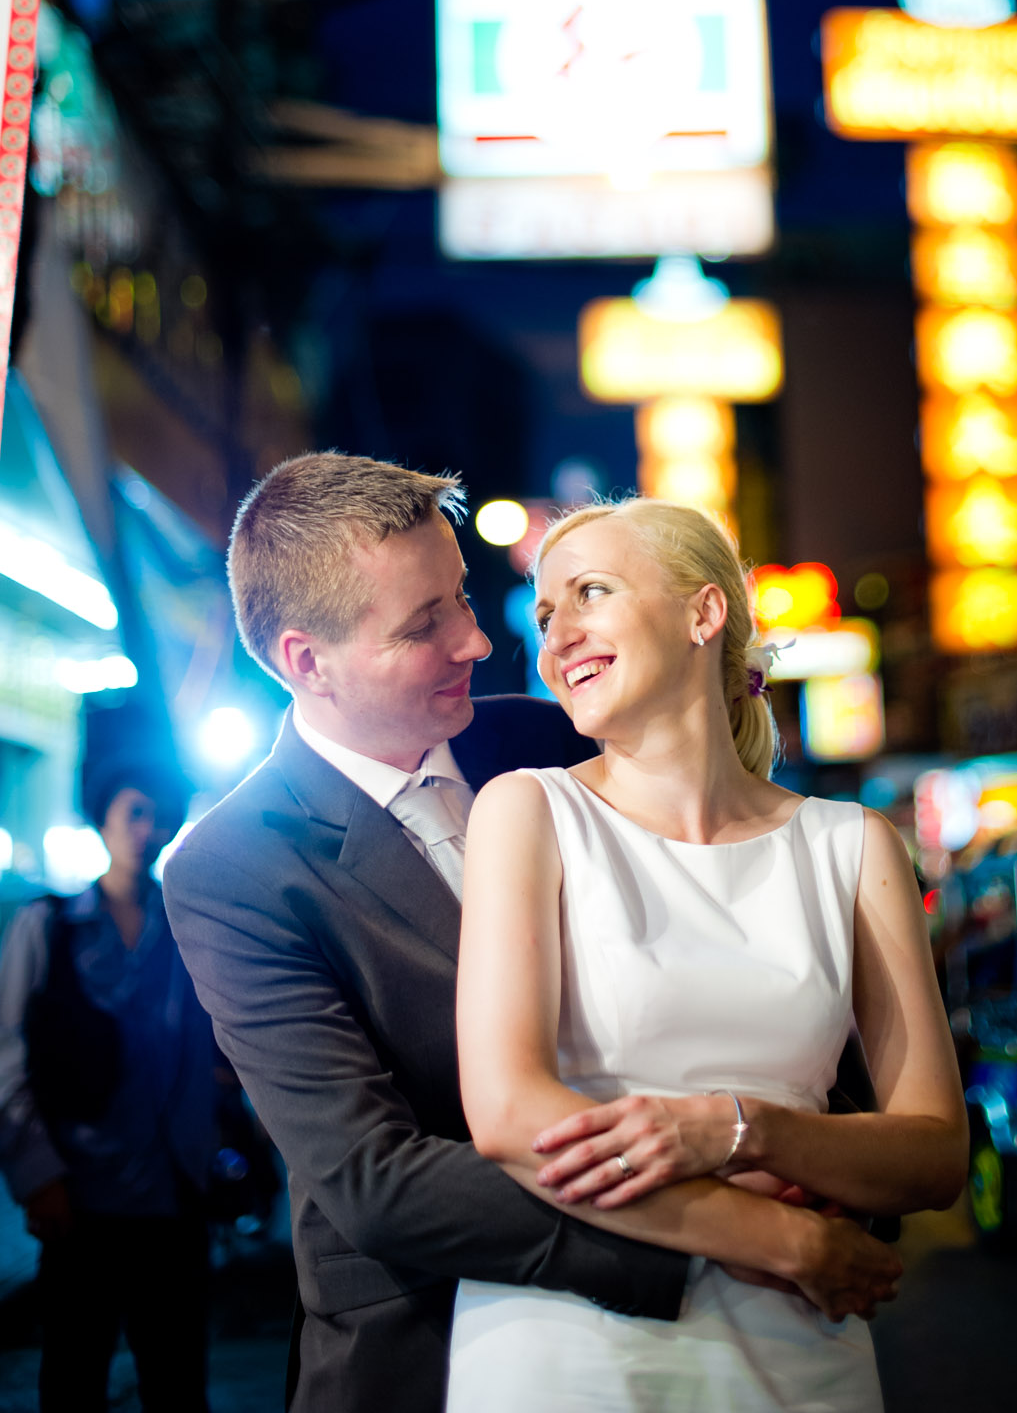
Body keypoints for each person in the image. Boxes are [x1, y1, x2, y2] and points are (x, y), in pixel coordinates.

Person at [162, 453, 903, 1413]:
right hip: (424, 1344)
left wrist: (825, 1164)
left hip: (762, 1326)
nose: (475, 641)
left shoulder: (548, 740)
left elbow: (754, 950)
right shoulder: (233, 865)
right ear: (307, 661)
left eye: (462, 598)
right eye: (423, 625)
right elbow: (375, 1179)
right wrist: (738, 1232)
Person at [451, 497, 970, 1411]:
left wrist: (743, 1126)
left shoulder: (851, 845)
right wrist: (780, 1232)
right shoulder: (527, 811)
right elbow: (507, 1114)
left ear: (703, 612)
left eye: (590, 593)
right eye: (545, 614)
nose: (556, 637)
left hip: (801, 1352)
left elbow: (934, 1155)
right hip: (571, 1350)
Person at [0, 749, 218, 1412]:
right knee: (73, 1375)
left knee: (177, 1380)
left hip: (174, 1193)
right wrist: (38, 1177)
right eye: (135, 813)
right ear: (103, 818)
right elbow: (9, 1058)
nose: (149, 829)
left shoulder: (187, 927)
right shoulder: (49, 925)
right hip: (79, 1193)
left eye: (162, 816)